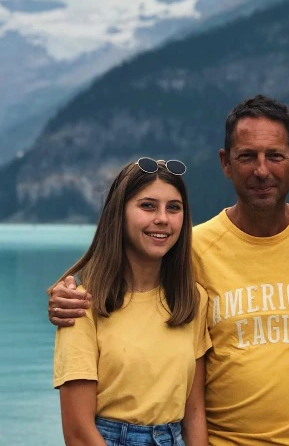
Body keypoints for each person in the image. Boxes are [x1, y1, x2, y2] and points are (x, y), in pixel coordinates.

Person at [50, 95, 289, 445]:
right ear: (226, 163)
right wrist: (64, 298)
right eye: (247, 156)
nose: (261, 170)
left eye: (275, 156)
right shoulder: (190, 250)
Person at [52, 157, 211, 446]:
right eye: (147, 205)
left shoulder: (191, 300)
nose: (162, 218)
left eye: (173, 208)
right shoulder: (82, 304)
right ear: (119, 214)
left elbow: (194, 412)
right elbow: (78, 432)